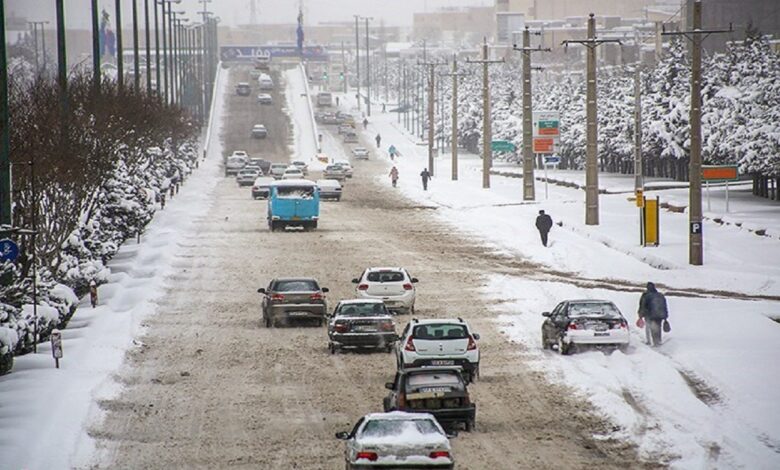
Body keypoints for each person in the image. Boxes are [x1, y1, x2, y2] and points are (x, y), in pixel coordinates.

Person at [638, 282, 669, 346]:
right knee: (658, 327)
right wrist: (665, 316)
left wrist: (640, 315)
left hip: (649, 315)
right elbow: (664, 306)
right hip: (659, 315)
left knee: (650, 328)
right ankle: (658, 341)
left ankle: (650, 341)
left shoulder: (646, 295)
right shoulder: (660, 295)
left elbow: (642, 306)